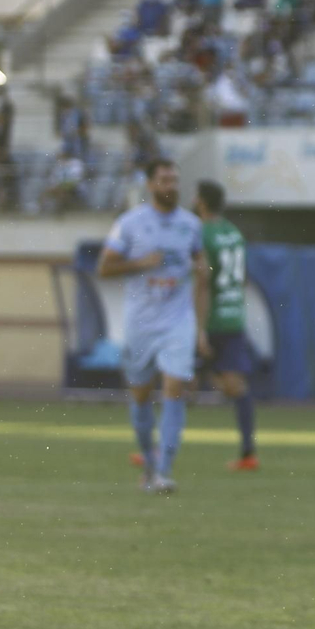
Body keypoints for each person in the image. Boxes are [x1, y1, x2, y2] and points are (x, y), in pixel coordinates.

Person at [97, 160, 207, 494]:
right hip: (141, 323)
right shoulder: (129, 224)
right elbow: (104, 268)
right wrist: (140, 263)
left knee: (175, 388)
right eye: (164, 180)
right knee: (142, 395)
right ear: (150, 185)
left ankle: (164, 470)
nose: (171, 186)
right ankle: (148, 460)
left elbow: (201, 263)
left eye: (174, 179)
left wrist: (204, 271)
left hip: (178, 319)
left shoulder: (191, 225)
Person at [193, 182, 259, 471]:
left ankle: (156, 451)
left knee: (180, 381)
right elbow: (243, 277)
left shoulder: (201, 233)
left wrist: (199, 328)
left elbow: (202, 281)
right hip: (233, 315)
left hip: (209, 318)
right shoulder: (234, 233)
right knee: (234, 386)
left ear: (202, 202)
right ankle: (248, 452)